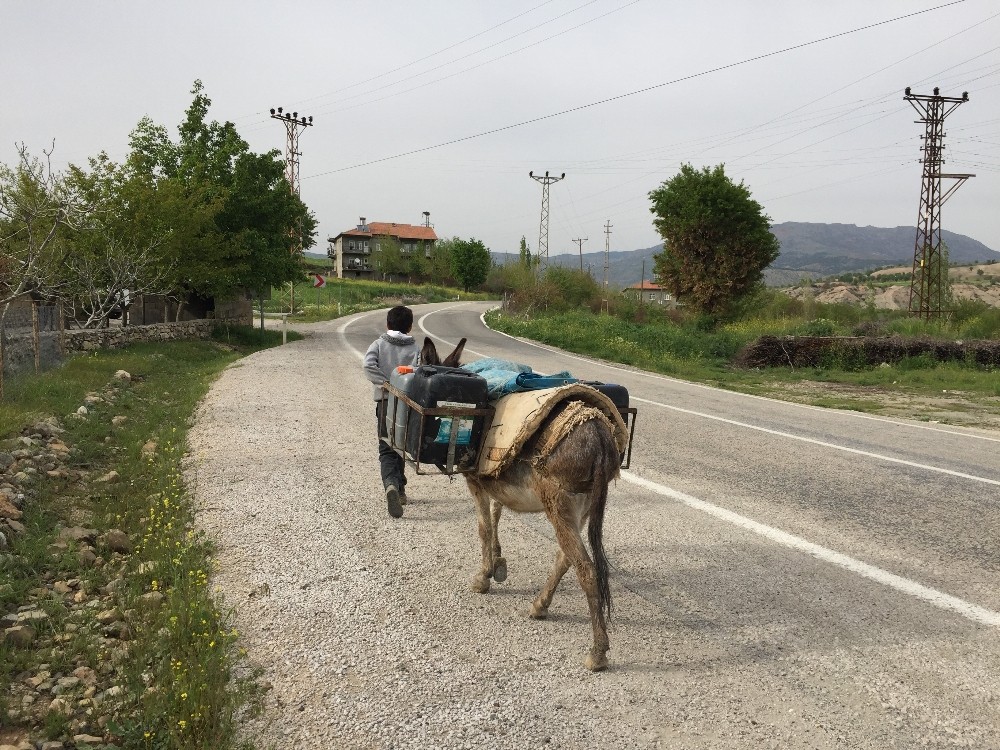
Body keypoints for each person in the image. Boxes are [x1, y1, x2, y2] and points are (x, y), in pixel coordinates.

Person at [363, 305, 420, 518]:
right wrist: (404, 387)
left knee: (386, 447)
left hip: (386, 402)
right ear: (409, 326)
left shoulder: (378, 344)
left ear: (388, 324)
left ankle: (391, 485)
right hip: (407, 405)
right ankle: (401, 490)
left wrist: (386, 384)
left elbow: (368, 366)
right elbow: (420, 372)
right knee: (400, 446)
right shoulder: (416, 349)